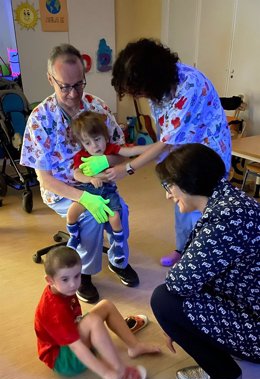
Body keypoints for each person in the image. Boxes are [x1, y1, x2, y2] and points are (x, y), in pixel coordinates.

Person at [80, 38, 231, 267]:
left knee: (201, 208)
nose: (138, 95)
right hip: (182, 152)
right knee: (181, 204)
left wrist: (127, 167)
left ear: (151, 78)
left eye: (138, 90)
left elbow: (165, 142)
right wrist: (122, 155)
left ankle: (202, 260)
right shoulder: (158, 92)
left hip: (207, 155)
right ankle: (183, 250)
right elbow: (164, 139)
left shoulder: (189, 85)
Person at [20, 43, 139, 305]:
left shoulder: (97, 107)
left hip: (100, 184)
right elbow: (45, 179)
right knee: (90, 219)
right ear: (50, 79)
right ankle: (83, 272)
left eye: (79, 84)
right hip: (62, 190)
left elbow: (121, 151)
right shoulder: (40, 120)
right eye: (65, 86)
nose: (73, 94)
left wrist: (106, 161)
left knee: (121, 213)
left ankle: (118, 261)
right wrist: (83, 198)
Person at [150, 143, 260, 379]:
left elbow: (178, 283)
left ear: (187, 183)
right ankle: (234, 346)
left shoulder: (226, 220)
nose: (168, 195)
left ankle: (224, 375)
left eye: (169, 186)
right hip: (251, 303)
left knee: (164, 300)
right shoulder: (231, 200)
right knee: (186, 294)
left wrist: (174, 324)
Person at [35, 246, 161, 379]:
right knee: (93, 321)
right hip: (62, 360)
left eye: (77, 276)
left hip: (69, 337)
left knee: (105, 305)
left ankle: (135, 347)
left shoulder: (61, 289)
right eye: (65, 279)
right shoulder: (53, 309)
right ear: (49, 280)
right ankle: (118, 373)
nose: (73, 284)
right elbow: (76, 346)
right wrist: (106, 373)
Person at [67, 110, 149, 264]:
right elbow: (76, 174)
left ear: (105, 137)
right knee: (72, 213)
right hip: (88, 191)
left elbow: (130, 151)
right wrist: (90, 179)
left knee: (116, 217)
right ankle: (74, 236)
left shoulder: (111, 149)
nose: (94, 146)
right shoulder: (82, 155)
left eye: (97, 139)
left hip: (108, 192)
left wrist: (154, 147)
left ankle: (118, 246)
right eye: (87, 143)